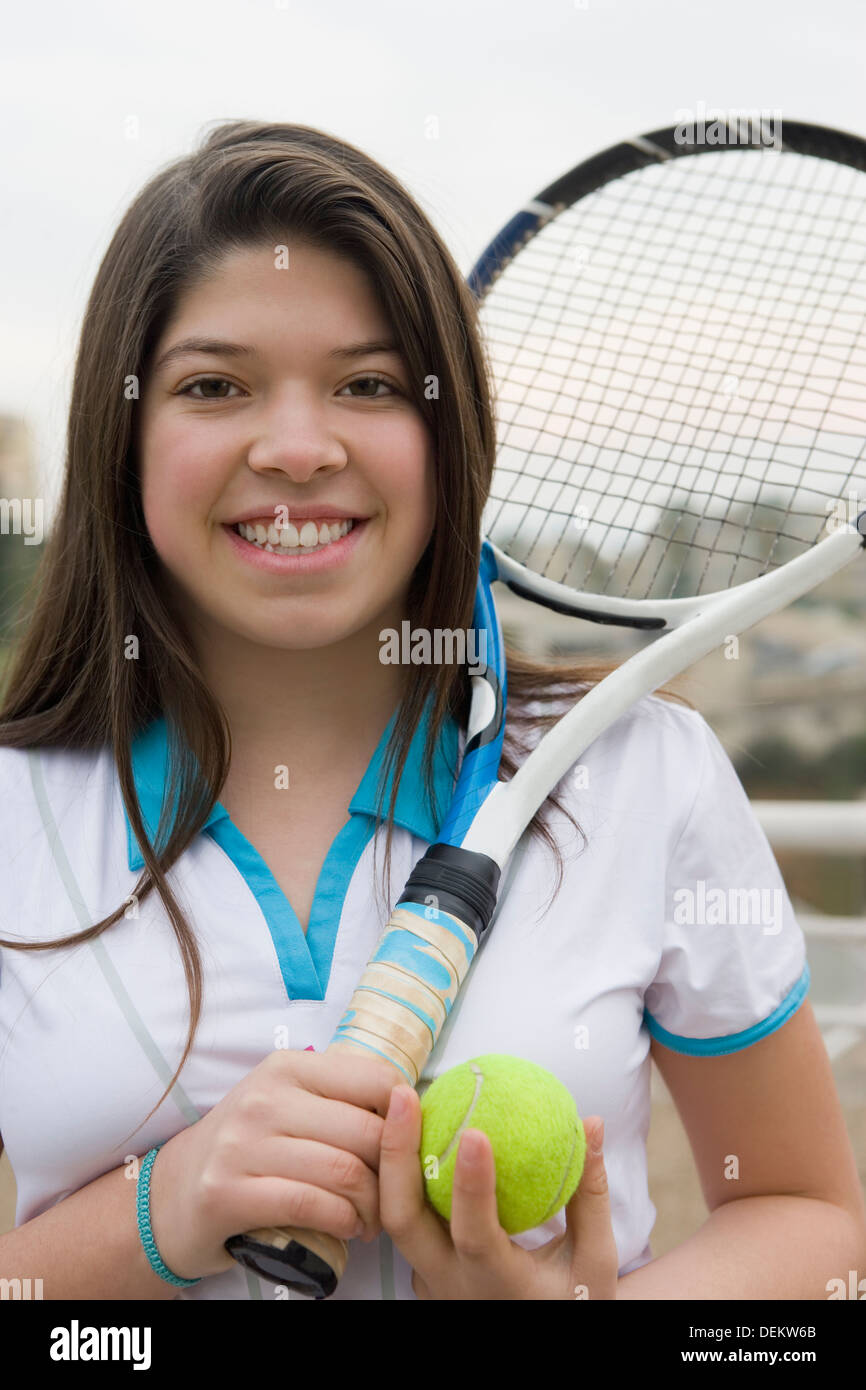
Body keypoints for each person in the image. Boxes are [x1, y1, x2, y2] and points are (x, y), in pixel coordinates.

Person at [0, 121, 862, 1302]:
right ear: (124, 433)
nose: (298, 448)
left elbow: (807, 1215)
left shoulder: (644, 774)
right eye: (214, 385)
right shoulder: (14, 809)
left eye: (366, 383)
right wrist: (165, 1208)